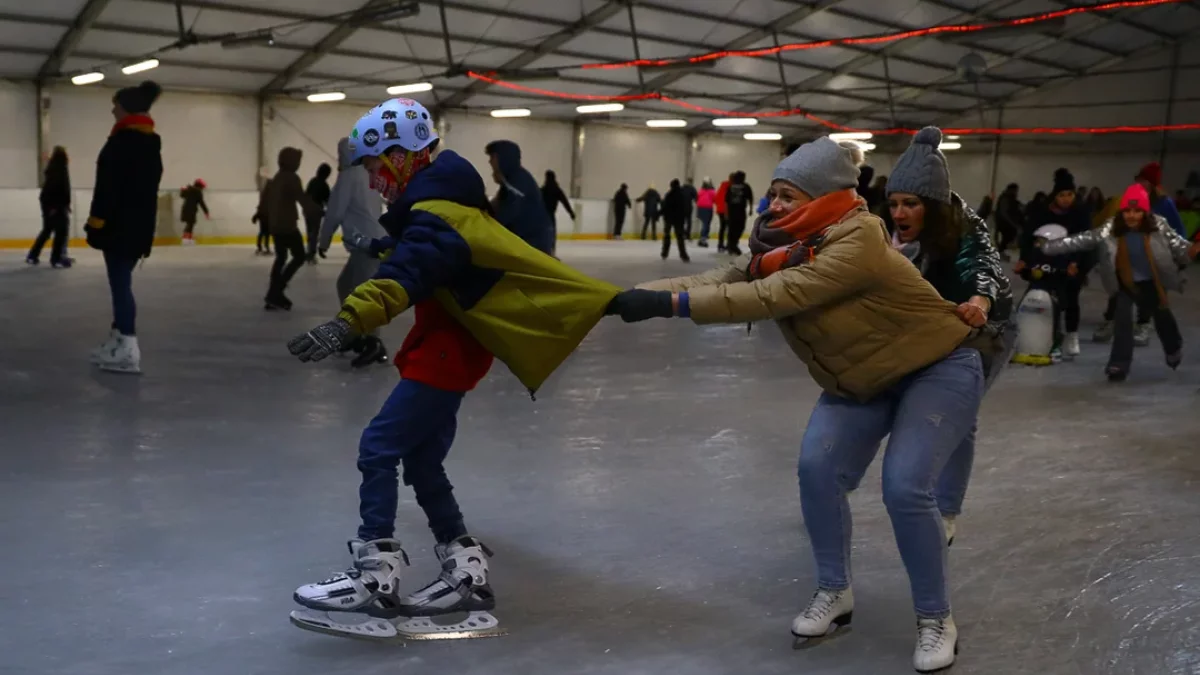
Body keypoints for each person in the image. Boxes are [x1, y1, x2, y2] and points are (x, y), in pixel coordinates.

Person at [606, 136, 981, 673]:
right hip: (862, 377)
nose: (773, 206)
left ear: (824, 195)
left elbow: (773, 296)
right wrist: (625, 294)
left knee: (904, 486)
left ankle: (935, 617)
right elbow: (721, 278)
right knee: (817, 470)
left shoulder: (859, 241)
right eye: (773, 194)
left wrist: (669, 305)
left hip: (937, 367)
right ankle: (835, 592)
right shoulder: (778, 245)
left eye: (787, 195)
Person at [285, 98, 619, 642]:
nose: (374, 183)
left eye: (374, 168)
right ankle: (467, 572)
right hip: (447, 350)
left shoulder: (442, 208)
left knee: (378, 448)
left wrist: (346, 324)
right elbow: (423, 248)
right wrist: (381, 241)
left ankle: (376, 577)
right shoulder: (441, 200)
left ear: (398, 156)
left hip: (445, 355)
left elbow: (415, 268)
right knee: (421, 463)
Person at [885, 126, 1014, 545]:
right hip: (933, 323)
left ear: (934, 205)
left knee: (962, 414)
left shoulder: (964, 227)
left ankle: (947, 510)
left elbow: (983, 264)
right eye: (894, 204)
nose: (899, 213)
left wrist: (980, 299)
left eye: (911, 204)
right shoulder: (892, 234)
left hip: (984, 330)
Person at [1043, 183, 1200, 381]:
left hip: (1152, 281)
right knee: (1122, 321)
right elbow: (1083, 239)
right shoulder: (1111, 228)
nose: (1132, 216)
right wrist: (1048, 247)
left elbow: (1179, 247)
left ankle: (1173, 348)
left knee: (1162, 316)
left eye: (1137, 211)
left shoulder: (1158, 226)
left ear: (1145, 212)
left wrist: (1191, 250)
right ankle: (1119, 364)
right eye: (1127, 211)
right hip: (1124, 281)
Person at [83, 80, 163, 375]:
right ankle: (118, 340)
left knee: (120, 286)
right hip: (139, 226)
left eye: (115, 104)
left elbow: (107, 188)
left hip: (118, 227)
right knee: (121, 284)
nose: (112, 109)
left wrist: (96, 223)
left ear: (126, 108)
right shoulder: (151, 142)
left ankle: (128, 348)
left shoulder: (121, 143)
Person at [318, 137, 389, 368]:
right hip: (374, 242)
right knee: (345, 285)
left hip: (368, 245)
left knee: (360, 294)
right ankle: (353, 336)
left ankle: (372, 342)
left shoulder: (349, 175)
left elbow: (335, 212)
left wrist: (324, 240)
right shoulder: (367, 175)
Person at [1021, 169, 1090, 358]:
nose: (1066, 199)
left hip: (1072, 259)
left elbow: (1085, 240)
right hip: (1046, 259)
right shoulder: (1042, 212)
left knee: (1071, 296)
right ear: (1055, 195)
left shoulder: (1080, 212)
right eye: (1062, 195)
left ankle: (1072, 335)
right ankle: (1039, 336)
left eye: (1070, 194)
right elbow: (1028, 236)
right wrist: (1024, 259)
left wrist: (1076, 263)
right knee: (1043, 296)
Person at [263, 147, 317, 310]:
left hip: (276, 225)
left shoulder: (277, 178)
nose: (298, 164)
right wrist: (317, 210)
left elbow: (266, 202)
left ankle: (274, 293)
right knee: (299, 256)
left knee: (281, 258)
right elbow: (301, 199)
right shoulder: (291, 178)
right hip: (287, 225)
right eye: (297, 161)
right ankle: (275, 292)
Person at [486, 140, 554, 254]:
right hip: (526, 239)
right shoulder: (510, 180)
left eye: (493, 157)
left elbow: (508, 212)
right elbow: (497, 205)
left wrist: (487, 226)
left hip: (533, 241)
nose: (490, 162)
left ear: (503, 159)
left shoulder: (518, 181)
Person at [27, 146, 73, 268]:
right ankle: (56, 258)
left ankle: (33, 255)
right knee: (61, 231)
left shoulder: (54, 168)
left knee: (48, 230)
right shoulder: (59, 169)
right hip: (55, 206)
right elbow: (58, 189)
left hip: (53, 205)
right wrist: (55, 207)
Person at [1135, 162, 1185, 237]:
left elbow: (1179, 229)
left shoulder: (1165, 202)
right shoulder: (1138, 200)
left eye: (1143, 180)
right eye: (1139, 180)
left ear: (1151, 184)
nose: (1139, 184)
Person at [540, 169, 575, 255]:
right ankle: (552, 252)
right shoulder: (556, 190)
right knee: (552, 234)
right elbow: (565, 201)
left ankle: (543, 251)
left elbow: (535, 202)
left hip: (542, 216)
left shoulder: (542, 190)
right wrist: (571, 213)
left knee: (543, 234)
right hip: (551, 215)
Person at [305, 163, 332, 263]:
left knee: (310, 233)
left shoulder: (312, 181)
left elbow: (306, 194)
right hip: (316, 211)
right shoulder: (324, 185)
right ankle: (311, 254)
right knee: (314, 234)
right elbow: (328, 200)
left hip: (307, 210)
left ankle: (310, 252)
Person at [658, 178, 690, 262]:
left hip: (669, 218)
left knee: (667, 235)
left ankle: (664, 253)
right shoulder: (682, 195)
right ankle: (684, 255)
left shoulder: (669, 195)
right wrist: (686, 217)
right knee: (680, 237)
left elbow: (665, 207)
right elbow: (685, 207)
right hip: (679, 219)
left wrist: (658, 214)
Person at [723, 170, 753, 255]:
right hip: (738, 212)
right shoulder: (745, 186)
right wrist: (750, 209)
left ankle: (732, 245)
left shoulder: (731, 186)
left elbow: (726, 201)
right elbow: (750, 198)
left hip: (733, 212)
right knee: (738, 228)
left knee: (733, 229)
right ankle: (733, 245)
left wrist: (726, 213)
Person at [994, 183, 1023, 261]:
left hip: (1004, 222)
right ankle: (1000, 254)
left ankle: (1000, 253)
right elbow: (1004, 212)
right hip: (1004, 223)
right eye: (1016, 191)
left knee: (1006, 239)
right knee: (1006, 238)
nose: (1016, 192)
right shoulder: (1005, 198)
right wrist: (1013, 223)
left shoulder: (1009, 198)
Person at [179, 179, 209, 245]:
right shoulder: (198, 191)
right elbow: (201, 203)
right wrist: (206, 212)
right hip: (191, 210)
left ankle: (187, 238)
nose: (202, 189)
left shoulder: (189, 189)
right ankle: (186, 239)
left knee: (189, 224)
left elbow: (182, 195)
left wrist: (182, 190)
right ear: (200, 186)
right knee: (190, 224)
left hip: (185, 209)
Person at [252, 168, 272, 256]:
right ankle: (264, 247)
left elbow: (261, 206)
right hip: (265, 215)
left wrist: (257, 215)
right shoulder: (267, 197)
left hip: (263, 215)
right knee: (266, 232)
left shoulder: (265, 196)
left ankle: (260, 247)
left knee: (263, 231)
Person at [695, 179, 716, 247]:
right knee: (706, 223)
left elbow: (697, 198)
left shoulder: (701, 191)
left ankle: (703, 237)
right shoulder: (711, 191)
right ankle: (703, 238)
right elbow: (714, 199)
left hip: (700, 208)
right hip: (707, 208)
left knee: (705, 223)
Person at [715, 174, 731, 251]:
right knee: (729, 228)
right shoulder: (730, 187)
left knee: (722, 228)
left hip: (720, 210)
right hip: (727, 211)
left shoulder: (721, 187)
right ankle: (729, 244)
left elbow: (716, 198)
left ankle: (720, 244)